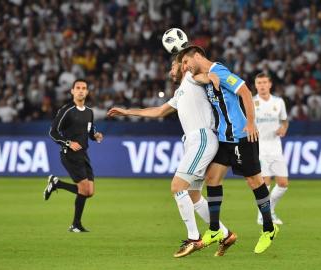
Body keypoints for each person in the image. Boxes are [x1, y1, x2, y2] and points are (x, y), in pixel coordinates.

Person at [107, 58, 233, 257]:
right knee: (192, 195)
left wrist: (211, 76)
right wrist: (127, 111)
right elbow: (158, 111)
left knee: (177, 187)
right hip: (194, 141)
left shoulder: (191, 78)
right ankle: (225, 234)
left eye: (173, 66)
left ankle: (193, 238)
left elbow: (206, 75)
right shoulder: (180, 92)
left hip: (201, 137)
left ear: (183, 66)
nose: (170, 70)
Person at [178, 45, 278, 254]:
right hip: (224, 138)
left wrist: (251, 123)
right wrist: (199, 76)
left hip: (242, 136)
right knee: (212, 179)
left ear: (197, 56)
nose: (185, 67)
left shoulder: (220, 71)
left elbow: (245, 92)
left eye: (186, 62)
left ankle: (269, 228)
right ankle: (215, 229)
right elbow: (198, 78)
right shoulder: (204, 75)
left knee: (254, 181)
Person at [44, 79, 104, 232]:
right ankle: (75, 224)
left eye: (84, 88)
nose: (81, 91)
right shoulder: (66, 110)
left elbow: (90, 131)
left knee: (90, 191)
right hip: (69, 154)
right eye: (77, 88)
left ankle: (57, 183)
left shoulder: (89, 112)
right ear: (72, 91)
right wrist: (68, 143)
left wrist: (95, 136)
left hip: (83, 154)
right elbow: (53, 132)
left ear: (87, 92)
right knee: (83, 189)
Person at [254, 73, 289, 225]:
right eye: (259, 83)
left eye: (264, 82)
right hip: (260, 147)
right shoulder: (252, 102)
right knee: (265, 183)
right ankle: (263, 215)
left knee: (283, 184)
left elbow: (284, 121)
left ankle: (270, 210)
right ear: (255, 86)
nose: (261, 85)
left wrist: (283, 128)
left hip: (276, 147)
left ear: (270, 84)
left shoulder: (279, 102)